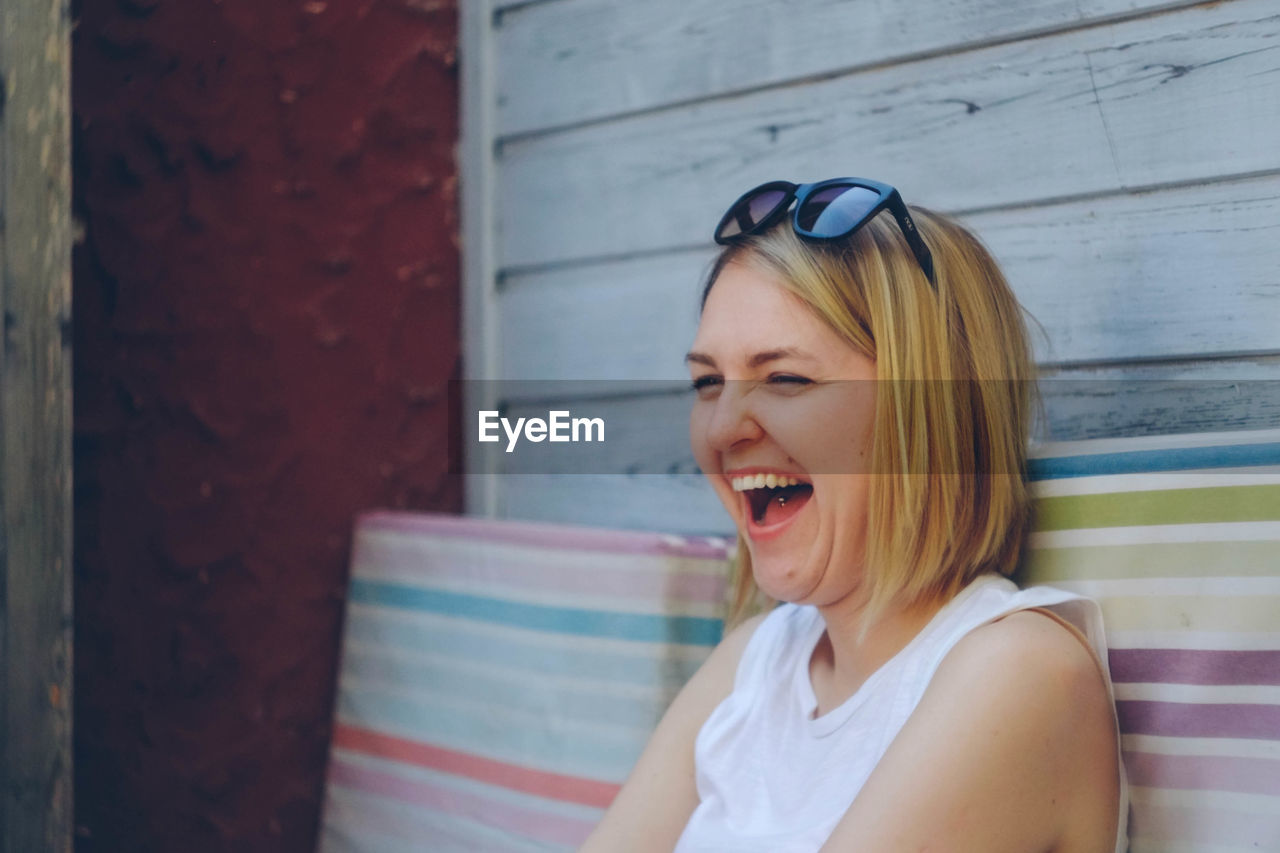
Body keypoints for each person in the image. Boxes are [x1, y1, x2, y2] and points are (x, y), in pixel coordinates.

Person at [578, 178, 1128, 853]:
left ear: (927, 410)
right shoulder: (756, 661)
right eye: (707, 382)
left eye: (786, 378)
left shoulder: (1018, 672)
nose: (721, 428)